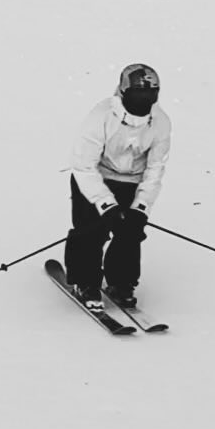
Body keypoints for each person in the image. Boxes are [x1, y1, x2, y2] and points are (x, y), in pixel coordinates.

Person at [63, 63, 172, 311]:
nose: (143, 101)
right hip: (94, 177)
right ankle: (85, 281)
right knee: (91, 231)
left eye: (149, 95)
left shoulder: (161, 122)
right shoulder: (100, 116)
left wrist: (140, 208)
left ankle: (122, 283)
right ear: (123, 92)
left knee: (130, 233)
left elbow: (155, 169)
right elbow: (83, 166)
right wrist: (106, 206)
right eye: (138, 95)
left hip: (132, 180)